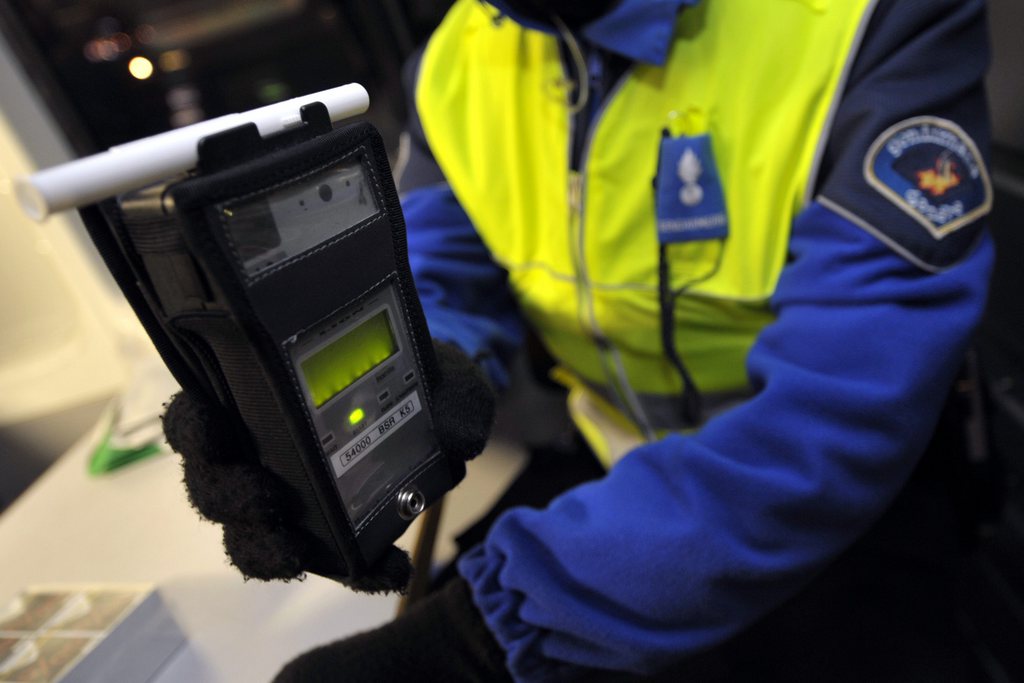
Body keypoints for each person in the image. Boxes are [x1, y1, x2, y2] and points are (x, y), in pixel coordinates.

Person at [166, 0, 996, 680]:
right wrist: (311, 426)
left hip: (840, 512)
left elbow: (837, 412)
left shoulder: (870, 21)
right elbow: (431, 284)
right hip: (609, 479)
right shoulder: (458, 59)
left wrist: (491, 628)